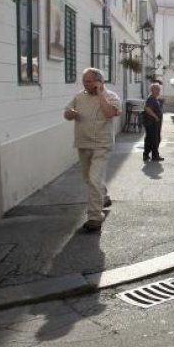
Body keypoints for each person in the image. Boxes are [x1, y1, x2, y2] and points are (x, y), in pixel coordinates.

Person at [64, 68, 120, 232]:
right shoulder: (78, 96)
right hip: (83, 143)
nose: (85, 84)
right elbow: (66, 114)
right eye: (84, 81)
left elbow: (110, 113)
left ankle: (95, 217)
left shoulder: (111, 97)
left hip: (102, 144)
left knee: (94, 179)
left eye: (89, 81)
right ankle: (103, 196)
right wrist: (70, 114)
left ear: (99, 82)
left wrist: (100, 94)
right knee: (89, 178)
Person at [142, 83, 164, 162]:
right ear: (152, 90)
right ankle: (155, 155)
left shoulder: (154, 98)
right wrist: (155, 116)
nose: (159, 91)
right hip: (152, 123)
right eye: (157, 89)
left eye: (159, 89)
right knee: (154, 139)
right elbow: (147, 108)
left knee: (150, 139)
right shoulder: (151, 99)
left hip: (154, 123)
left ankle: (146, 155)